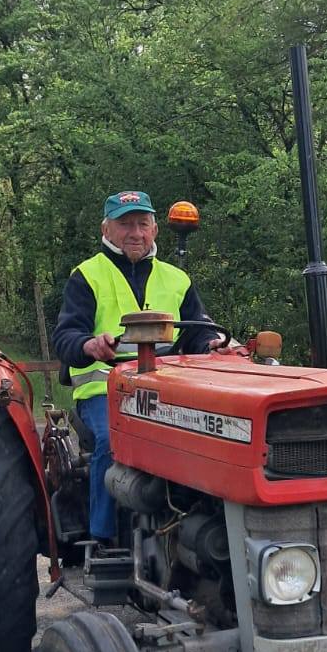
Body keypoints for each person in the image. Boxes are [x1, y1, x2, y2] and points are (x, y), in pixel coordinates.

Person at [52, 190, 223, 543]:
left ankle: (196, 525)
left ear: (154, 230)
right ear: (107, 229)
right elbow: (66, 336)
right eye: (125, 224)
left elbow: (198, 331)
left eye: (142, 224)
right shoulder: (87, 276)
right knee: (112, 440)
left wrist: (211, 344)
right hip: (105, 389)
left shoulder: (177, 279)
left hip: (170, 390)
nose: (135, 233)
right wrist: (89, 345)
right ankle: (103, 538)